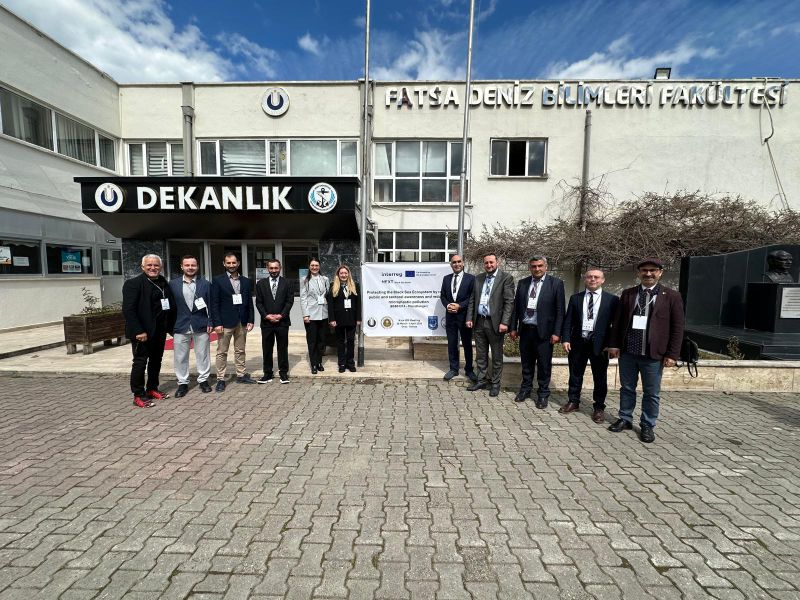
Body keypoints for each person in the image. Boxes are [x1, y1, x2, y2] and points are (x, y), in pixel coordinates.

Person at [607, 258, 684, 443]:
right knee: (627, 388)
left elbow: (678, 327)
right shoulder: (628, 294)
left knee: (651, 393)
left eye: (652, 270)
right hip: (628, 352)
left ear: (660, 272)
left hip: (653, 355)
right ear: (638, 273)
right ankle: (625, 418)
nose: (648, 274)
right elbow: (618, 322)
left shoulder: (671, 296)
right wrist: (614, 344)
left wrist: (672, 354)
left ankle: (648, 425)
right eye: (644, 270)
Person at [560, 268, 619, 422]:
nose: (593, 279)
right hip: (578, 343)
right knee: (575, 374)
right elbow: (568, 321)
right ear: (585, 279)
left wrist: (612, 344)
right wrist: (565, 339)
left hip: (600, 345)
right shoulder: (576, 298)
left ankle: (599, 407)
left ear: (602, 280)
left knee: (600, 377)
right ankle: (573, 401)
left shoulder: (612, 300)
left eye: (596, 277)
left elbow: (616, 325)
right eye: (589, 277)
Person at [509, 256, 565, 408]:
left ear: (546, 267)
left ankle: (543, 394)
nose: (537, 269)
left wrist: (557, 332)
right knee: (526, 363)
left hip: (545, 333)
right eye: (534, 266)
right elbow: (516, 308)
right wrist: (513, 328)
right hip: (526, 330)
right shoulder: (523, 283)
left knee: (544, 365)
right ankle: (525, 389)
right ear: (530, 268)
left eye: (540, 266)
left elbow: (560, 311)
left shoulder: (556, 284)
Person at [122, 254, 176, 408]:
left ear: (161, 267)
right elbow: (128, 310)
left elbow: (170, 305)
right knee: (140, 362)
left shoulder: (163, 282)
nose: (153, 268)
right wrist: (138, 330)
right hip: (142, 333)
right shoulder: (133, 284)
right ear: (142, 267)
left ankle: (152, 388)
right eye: (149, 265)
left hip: (159, 330)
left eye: (156, 265)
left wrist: (171, 328)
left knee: (156, 361)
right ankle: (138, 394)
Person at [466, 253, 515, 397]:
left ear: (497, 263)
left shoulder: (506, 278)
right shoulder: (478, 278)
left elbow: (509, 302)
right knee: (481, 354)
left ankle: (495, 383)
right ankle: (481, 380)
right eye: (486, 263)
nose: (489, 265)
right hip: (479, 321)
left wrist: (505, 322)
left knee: (496, 355)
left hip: (496, 323)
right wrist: (469, 318)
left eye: (491, 262)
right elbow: (472, 300)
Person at [168, 255, 213, 397]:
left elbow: (212, 305)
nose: (190, 268)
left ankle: (203, 380)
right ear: (182, 267)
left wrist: (211, 321)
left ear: (197, 267)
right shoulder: (173, 284)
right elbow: (169, 307)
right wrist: (169, 326)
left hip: (201, 324)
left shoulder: (205, 284)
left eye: (193, 265)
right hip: (180, 325)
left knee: (203, 355)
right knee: (180, 357)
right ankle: (182, 383)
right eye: (187, 265)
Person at [210, 253, 255, 391]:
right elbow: (214, 303)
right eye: (228, 263)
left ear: (238, 263)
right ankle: (220, 379)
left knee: (240, 350)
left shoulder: (246, 281)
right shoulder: (218, 280)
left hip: (242, 321)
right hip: (225, 323)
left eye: (234, 262)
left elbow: (249, 302)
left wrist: (251, 319)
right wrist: (217, 323)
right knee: (222, 351)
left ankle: (241, 375)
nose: (231, 265)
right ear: (224, 264)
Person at [255, 258, 294, 384]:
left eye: (276, 268)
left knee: (282, 348)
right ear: (267, 269)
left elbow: (289, 301)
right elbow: (259, 303)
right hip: (267, 323)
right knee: (267, 349)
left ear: (280, 268)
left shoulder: (287, 283)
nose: (273, 270)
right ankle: (267, 374)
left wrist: (281, 315)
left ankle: (283, 373)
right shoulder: (261, 284)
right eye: (271, 268)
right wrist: (266, 316)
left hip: (282, 322)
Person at [440, 255, 477, 382]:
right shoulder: (446, 279)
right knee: (452, 343)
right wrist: (448, 305)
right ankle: (453, 369)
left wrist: (460, 306)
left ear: (463, 263)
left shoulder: (471, 279)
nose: (457, 264)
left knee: (467, 344)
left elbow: (472, 297)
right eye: (454, 262)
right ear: (451, 265)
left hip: (465, 316)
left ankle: (469, 369)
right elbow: (443, 296)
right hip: (450, 316)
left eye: (459, 262)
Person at [328, 265, 361, 373]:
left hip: (351, 318)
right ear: (338, 274)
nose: (343, 275)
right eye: (341, 273)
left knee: (351, 341)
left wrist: (358, 318)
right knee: (340, 342)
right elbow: (330, 305)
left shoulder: (355, 285)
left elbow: (358, 303)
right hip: (339, 319)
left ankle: (350, 363)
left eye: (345, 273)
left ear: (348, 274)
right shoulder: (333, 286)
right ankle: (341, 363)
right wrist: (332, 319)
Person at [300, 258, 329, 374]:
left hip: (323, 313)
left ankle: (319, 362)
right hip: (311, 315)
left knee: (322, 340)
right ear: (309, 266)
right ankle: (313, 364)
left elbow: (327, 294)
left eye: (316, 265)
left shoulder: (325, 279)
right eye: (312, 265)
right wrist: (305, 314)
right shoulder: (305, 280)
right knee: (312, 341)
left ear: (319, 266)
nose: (314, 267)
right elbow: (303, 298)